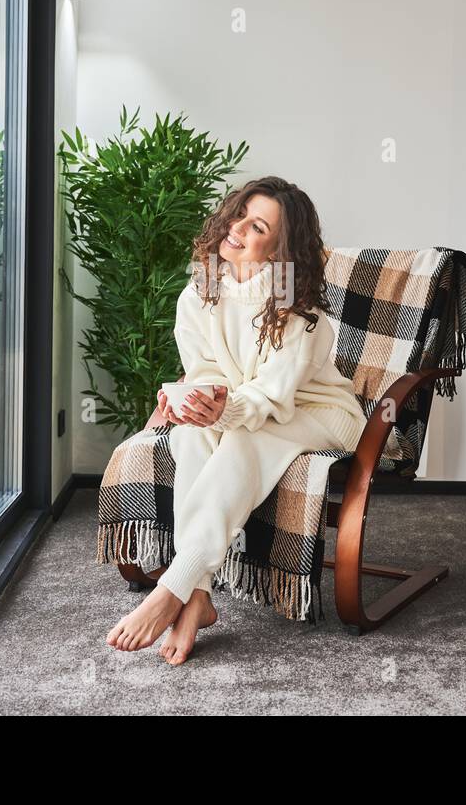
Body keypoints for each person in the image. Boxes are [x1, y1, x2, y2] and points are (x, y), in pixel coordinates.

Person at [106, 176, 367, 664]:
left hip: (321, 414)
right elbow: (206, 374)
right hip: (249, 411)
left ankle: (174, 588)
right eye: (240, 213)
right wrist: (196, 404)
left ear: (277, 251)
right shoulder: (199, 293)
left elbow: (271, 397)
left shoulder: (304, 316)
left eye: (258, 225)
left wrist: (224, 410)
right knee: (189, 439)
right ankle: (198, 598)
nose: (238, 227)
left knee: (244, 443)